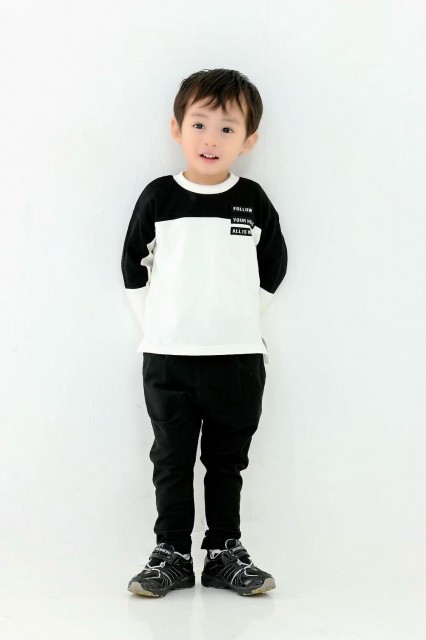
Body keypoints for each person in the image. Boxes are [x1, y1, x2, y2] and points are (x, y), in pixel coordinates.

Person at [121, 68, 288, 597]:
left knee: (226, 462)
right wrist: (158, 326)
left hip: (238, 358)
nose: (210, 139)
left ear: (248, 140)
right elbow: (132, 266)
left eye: (227, 128)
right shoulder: (159, 198)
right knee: (170, 459)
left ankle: (222, 553)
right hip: (168, 358)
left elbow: (274, 266)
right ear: (177, 128)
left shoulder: (252, 200)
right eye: (199, 124)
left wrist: (240, 320)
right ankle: (171, 553)